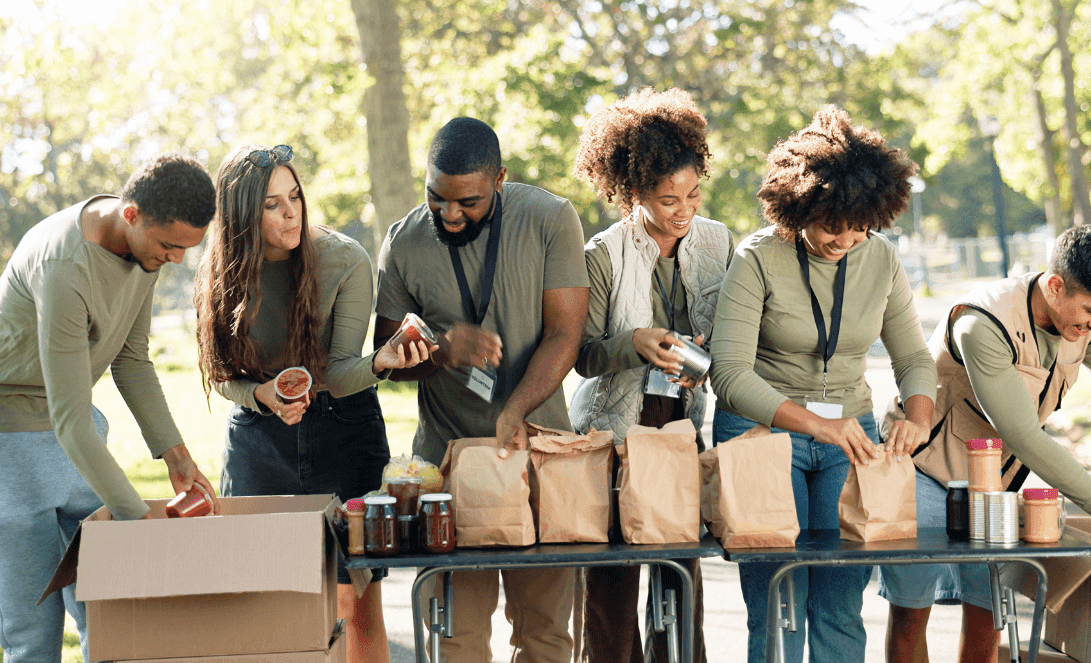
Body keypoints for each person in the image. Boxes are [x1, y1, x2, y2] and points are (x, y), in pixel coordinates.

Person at [877, 224, 1091, 663]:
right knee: (911, 612)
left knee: (988, 613)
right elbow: (1023, 435)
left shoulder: (1086, 325)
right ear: (1056, 286)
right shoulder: (982, 323)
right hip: (923, 471)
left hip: (991, 485)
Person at [710, 105, 938, 663]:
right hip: (760, 433)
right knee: (778, 601)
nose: (846, 239)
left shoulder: (879, 259)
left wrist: (920, 414)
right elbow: (730, 375)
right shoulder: (758, 257)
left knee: (840, 602)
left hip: (849, 436)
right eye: (833, 224)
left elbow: (913, 356)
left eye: (861, 226)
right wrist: (819, 425)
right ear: (800, 205)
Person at [193, 144, 430, 663]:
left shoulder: (344, 259)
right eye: (273, 204)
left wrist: (381, 362)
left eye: (294, 196)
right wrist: (261, 395)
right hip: (259, 435)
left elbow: (341, 371)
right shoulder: (222, 272)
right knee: (264, 596)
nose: (291, 211)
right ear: (240, 218)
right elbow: (222, 373)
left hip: (343, 427)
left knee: (355, 596)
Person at [0, 152, 219, 662]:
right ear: (130, 214)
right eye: (170, 246)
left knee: (112, 608)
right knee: (32, 629)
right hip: (4, 439)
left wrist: (178, 458)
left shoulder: (146, 251)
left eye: (187, 248)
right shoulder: (64, 265)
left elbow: (132, 361)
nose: (177, 259)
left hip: (74, 440)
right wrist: (139, 523)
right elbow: (69, 419)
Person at [374, 117, 588, 662]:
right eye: (436, 198)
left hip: (536, 454)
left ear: (499, 179)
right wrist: (443, 349)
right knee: (458, 639)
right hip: (448, 470)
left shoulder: (550, 218)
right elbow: (387, 358)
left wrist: (516, 407)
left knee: (544, 636)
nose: (449, 214)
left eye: (467, 201)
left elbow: (567, 332)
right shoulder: (402, 242)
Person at [569, 87, 733, 663]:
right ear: (632, 192)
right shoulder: (603, 253)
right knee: (611, 582)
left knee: (678, 574)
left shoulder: (718, 243)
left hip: (679, 426)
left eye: (692, 193)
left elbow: (734, 337)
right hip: (614, 429)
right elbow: (582, 354)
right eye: (667, 200)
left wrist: (707, 359)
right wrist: (634, 344)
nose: (682, 210)